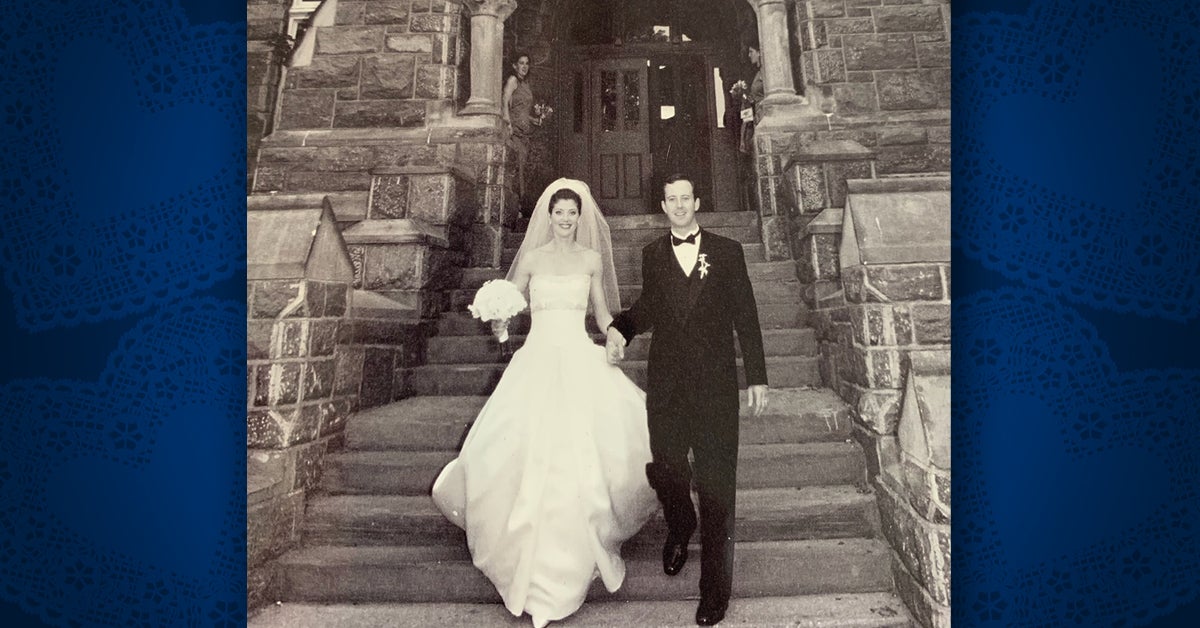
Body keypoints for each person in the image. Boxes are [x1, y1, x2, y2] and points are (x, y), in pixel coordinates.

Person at [431, 179, 658, 628]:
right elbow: (510, 301)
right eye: (559, 212)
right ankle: (524, 559)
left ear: (581, 217)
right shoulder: (532, 259)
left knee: (584, 456)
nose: (566, 219)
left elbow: (601, 315)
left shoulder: (591, 261)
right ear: (548, 216)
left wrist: (617, 334)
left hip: (578, 357)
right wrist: (497, 319)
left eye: (573, 212)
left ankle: (574, 556)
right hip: (536, 359)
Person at [605, 173, 770, 626]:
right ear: (663, 205)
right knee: (668, 470)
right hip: (668, 388)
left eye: (686, 198)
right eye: (671, 199)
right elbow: (650, 306)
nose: (679, 206)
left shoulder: (727, 252)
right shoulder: (653, 255)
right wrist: (621, 328)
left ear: (697, 201)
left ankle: (714, 593)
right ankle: (680, 524)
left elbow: (747, 317)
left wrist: (756, 377)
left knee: (717, 488)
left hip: (716, 390)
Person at [502, 52, 535, 213]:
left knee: (524, 166)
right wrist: (507, 123)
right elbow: (505, 100)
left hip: (525, 130)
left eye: (527, 63)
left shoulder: (525, 84)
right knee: (519, 167)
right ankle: (518, 207)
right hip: (515, 131)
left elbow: (522, 108)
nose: (524, 66)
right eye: (521, 63)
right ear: (515, 66)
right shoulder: (513, 80)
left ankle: (521, 206)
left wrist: (534, 119)